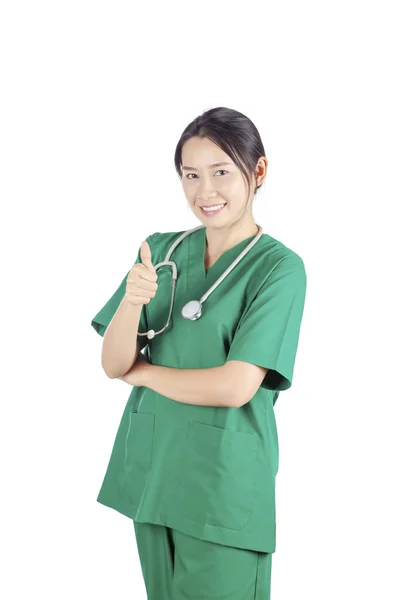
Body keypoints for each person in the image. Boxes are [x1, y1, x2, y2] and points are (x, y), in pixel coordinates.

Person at [91, 106, 307, 600]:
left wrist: (145, 375)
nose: (204, 191)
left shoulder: (279, 269)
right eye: (191, 175)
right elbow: (113, 363)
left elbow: (235, 386)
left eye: (221, 172)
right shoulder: (161, 252)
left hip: (223, 487)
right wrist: (132, 300)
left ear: (258, 172)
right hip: (154, 474)